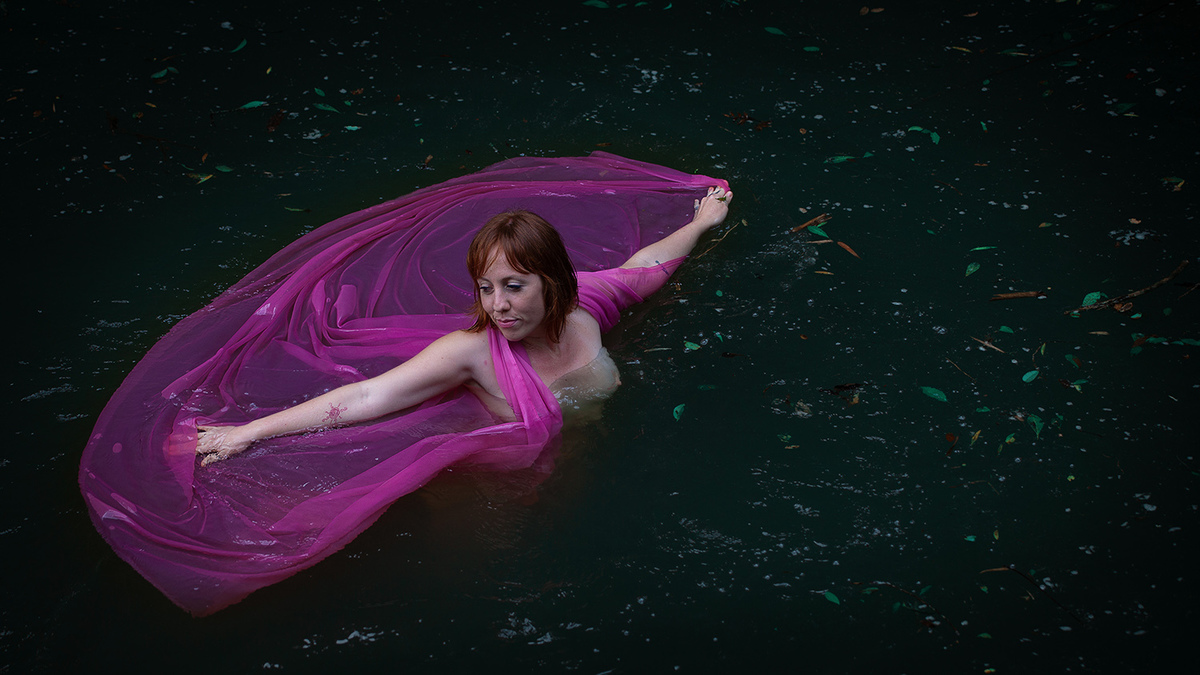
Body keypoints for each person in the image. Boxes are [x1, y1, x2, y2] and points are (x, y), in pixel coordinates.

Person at [195, 186, 732, 466]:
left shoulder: (586, 306)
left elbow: (645, 268)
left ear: (552, 283)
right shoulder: (469, 352)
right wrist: (248, 433)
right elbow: (364, 398)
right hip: (505, 490)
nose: (497, 305)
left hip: (595, 458)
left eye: (514, 286)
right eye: (485, 287)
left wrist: (701, 224)